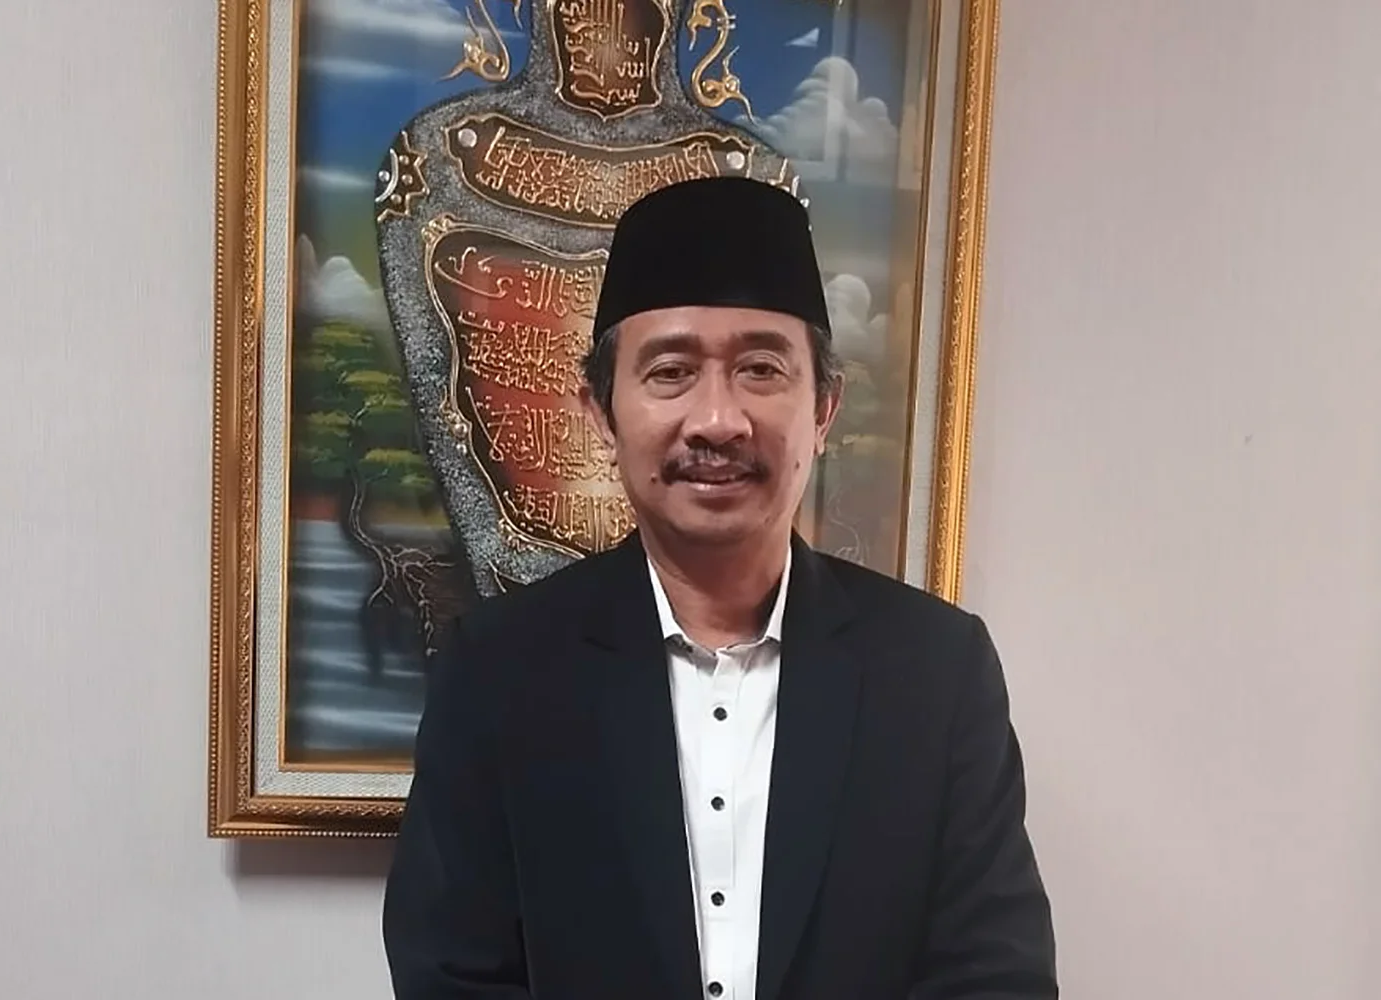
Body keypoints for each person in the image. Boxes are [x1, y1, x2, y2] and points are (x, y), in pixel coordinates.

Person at [382, 176, 1057, 1000]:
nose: (717, 421)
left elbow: (995, 978)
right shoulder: (499, 670)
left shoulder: (935, 671)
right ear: (601, 413)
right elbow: (451, 976)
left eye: (760, 369)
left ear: (823, 408)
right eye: (669, 372)